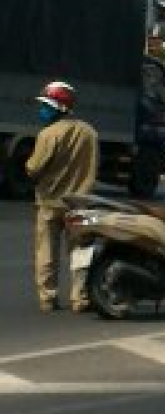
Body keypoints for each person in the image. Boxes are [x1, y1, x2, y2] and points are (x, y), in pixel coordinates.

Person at [25, 80, 99, 313]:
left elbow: (33, 168)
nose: (42, 110)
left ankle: (48, 298)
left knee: (46, 251)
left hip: (49, 202)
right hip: (80, 203)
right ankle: (80, 298)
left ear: (59, 107)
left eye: (46, 105)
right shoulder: (90, 133)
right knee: (80, 252)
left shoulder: (48, 134)